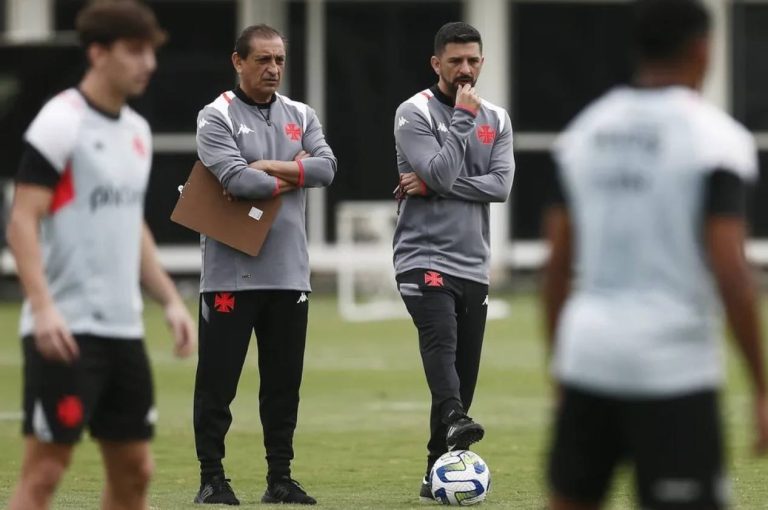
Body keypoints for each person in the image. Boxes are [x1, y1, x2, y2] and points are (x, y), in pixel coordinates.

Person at [542, 1, 768, 509]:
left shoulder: (584, 134)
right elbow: (731, 272)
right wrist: (761, 387)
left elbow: (555, 268)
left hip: (588, 359)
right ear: (703, 49)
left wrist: (561, 369)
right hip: (675, 370)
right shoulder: (716, 140)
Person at [6, 1, 197, 509]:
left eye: (150, 53)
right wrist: (43, 308)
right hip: (67, 332)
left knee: (135, 472)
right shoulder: (60, 122)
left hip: (123, 331)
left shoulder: (135, 131)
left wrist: (170, 300)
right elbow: (23, 218)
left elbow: (129, 223)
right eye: (134, 52)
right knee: (45, 471)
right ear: (97, 53)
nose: (148, 65)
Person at [192, 23, 336, 506]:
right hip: (230, 273)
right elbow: (236, 179)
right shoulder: (216, 116)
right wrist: (295, 170)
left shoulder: (301, 113)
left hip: (289, 272)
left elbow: (328, 168)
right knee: (218, 383)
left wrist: (269, 168)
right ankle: (212, 477)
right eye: (263, 60)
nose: (273, 69)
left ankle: (281, 479)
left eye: (279, 60)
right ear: (238, 61)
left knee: (282, 387)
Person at [392, 21, 515, 502]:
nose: (465, 70)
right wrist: (459, 126)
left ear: (482, 62)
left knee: (462, 375)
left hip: (472, 263)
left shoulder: (498, 120)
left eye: (473, 60)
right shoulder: (413, 112)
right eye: (455, 60)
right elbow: (442, 170)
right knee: (440, 344)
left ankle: (434, 472)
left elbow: (500, 186)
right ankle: (455, 419)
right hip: (421, 255)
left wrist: (436, 183)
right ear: (436, 63)